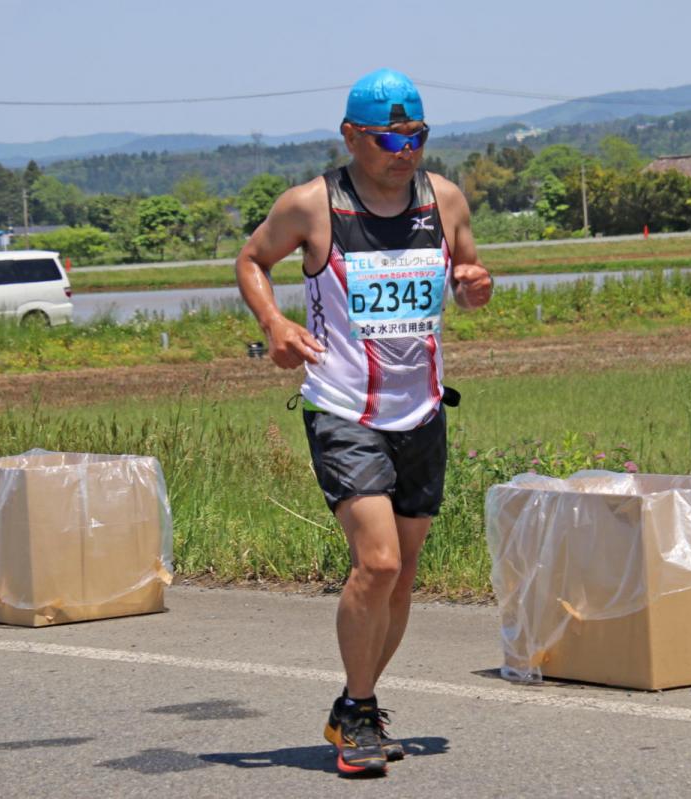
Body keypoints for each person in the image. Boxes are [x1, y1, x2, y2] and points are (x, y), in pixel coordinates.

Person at [235, 68, 492, 777]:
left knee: (402, 575)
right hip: (343, 408)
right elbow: (252, 260)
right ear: (351, 135)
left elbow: (469, 277)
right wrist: (274, 322)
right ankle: (357, 706)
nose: (403, 148)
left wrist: (477, 285)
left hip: (423, 409)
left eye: (416, 134)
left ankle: (360, 706)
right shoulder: (313, 206)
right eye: (387, 135)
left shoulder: (444, 199)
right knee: (375, 561)